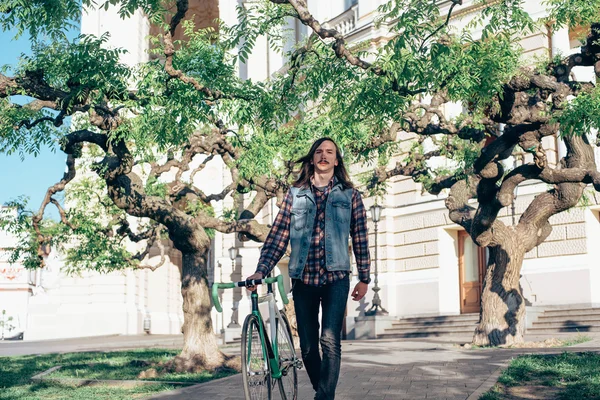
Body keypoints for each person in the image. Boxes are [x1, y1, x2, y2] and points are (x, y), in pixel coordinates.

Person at [246, 137, 371, 400]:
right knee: (308, 347)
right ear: (312, 159)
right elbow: (278, 235)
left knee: (330, 340)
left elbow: (360, 236)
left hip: (336, 277)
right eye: (318, 152)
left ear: (337, 161)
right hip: (303, 279)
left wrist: (364, 278)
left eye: (329, 152)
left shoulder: (350, 196)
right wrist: (262, 269)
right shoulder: (295, 195)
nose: (324, 156)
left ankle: (323, 397)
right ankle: (323, 392)